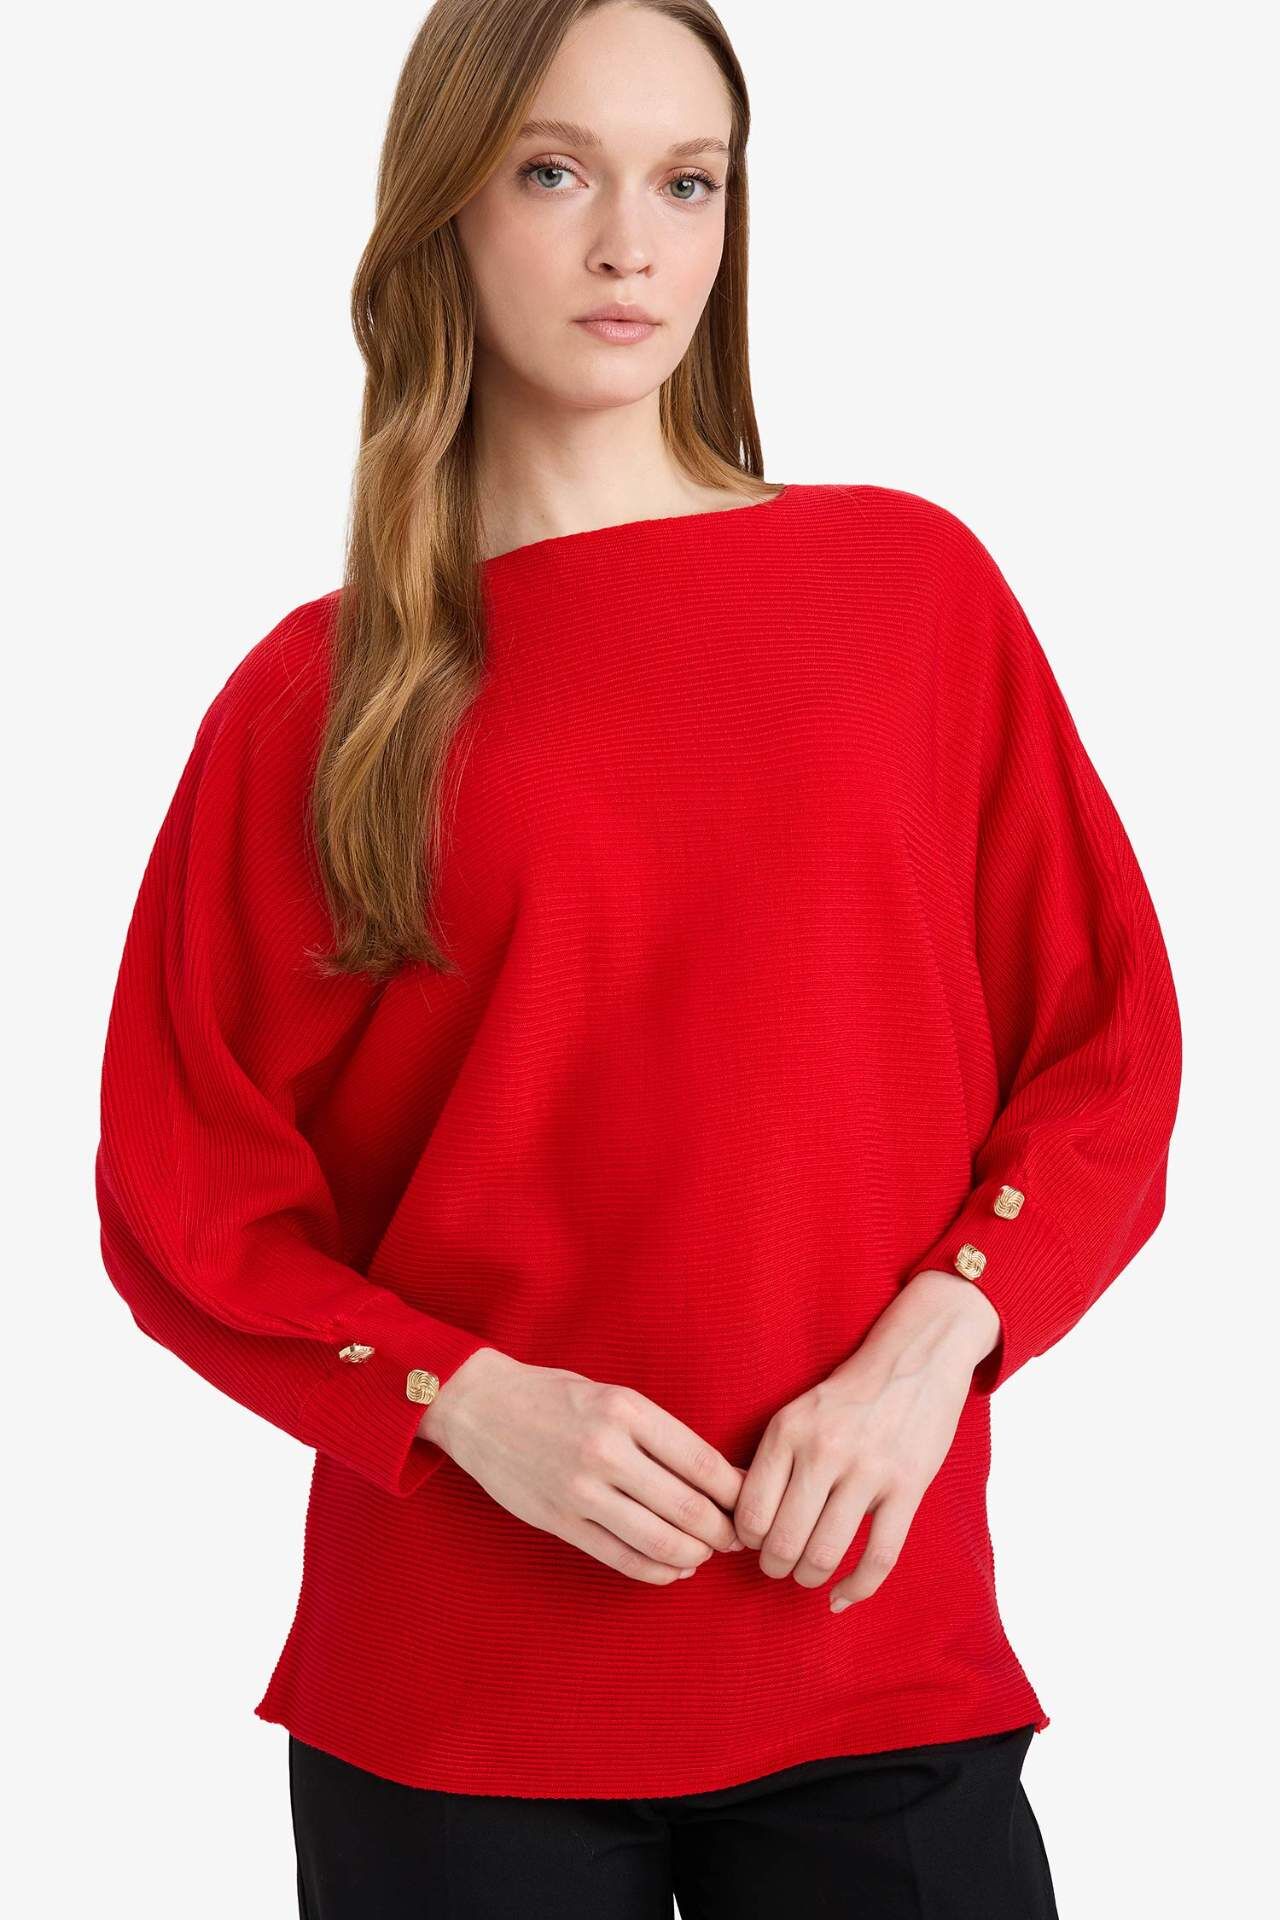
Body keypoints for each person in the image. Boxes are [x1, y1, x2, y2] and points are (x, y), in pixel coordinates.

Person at [94, 1, 1182, 1913]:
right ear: (443, 208)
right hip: (456, 1701)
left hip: (872, 1651)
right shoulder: (313, 704)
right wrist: (458, 1398)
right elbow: (189, 1199)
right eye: (554, 172)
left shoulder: (910, 594)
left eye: (689, 183)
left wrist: (941, 1338)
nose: (631, 245)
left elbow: (1105, 1047)